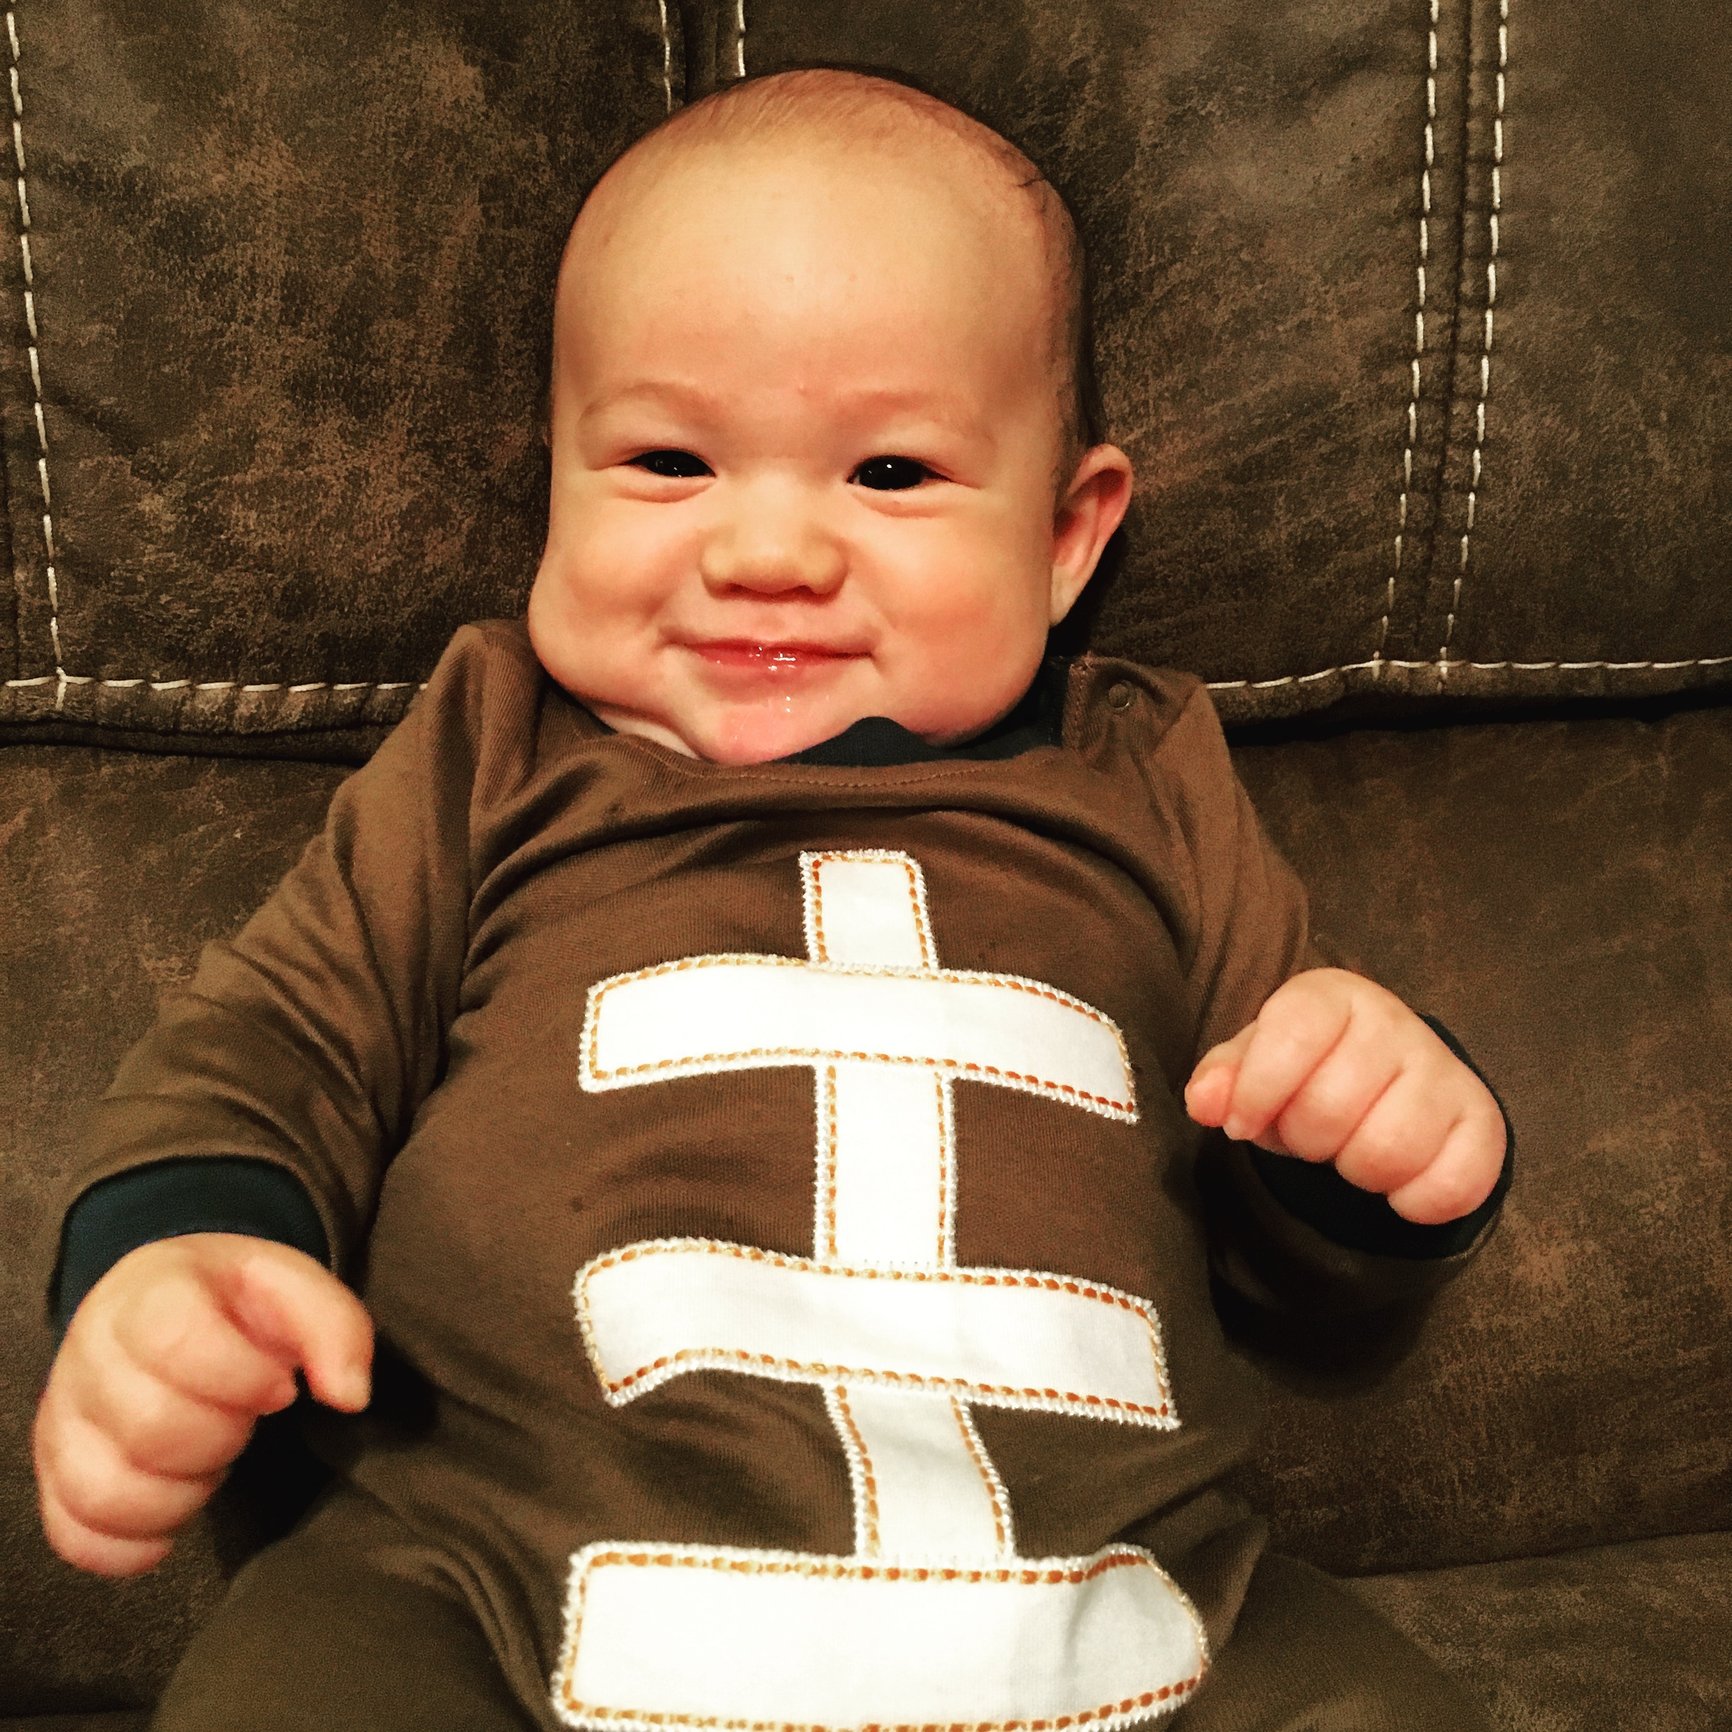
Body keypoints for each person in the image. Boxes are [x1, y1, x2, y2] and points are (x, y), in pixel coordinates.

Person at [33, 66, 1511, 1732]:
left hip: (1122, 1587)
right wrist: (182, 1253)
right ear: (553, 482)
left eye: (891, 474)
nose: (768, 552)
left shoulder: (1149, 777)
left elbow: (1297, 1190)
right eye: (669, 460)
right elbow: (274, 1044)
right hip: (484, 1574)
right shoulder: (494, 748)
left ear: (1065, 535)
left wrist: (1378, 1143)